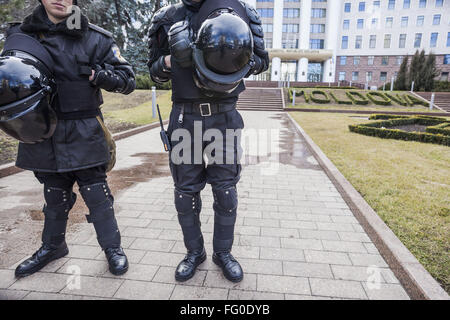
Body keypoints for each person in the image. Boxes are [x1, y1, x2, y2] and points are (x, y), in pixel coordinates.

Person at [5, 0, 136, 277]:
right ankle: (53, 246)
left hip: (84, 130)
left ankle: (113, 249)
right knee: (54, 196)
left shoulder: (96, 38)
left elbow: (127, 79)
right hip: (41, 130)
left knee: (97, 195)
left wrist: (96, 74)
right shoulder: (22, 36)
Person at [148, 0, 269, 283]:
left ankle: (223, 253)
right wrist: (170, 60)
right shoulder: (167, 17)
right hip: (185, 118)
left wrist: (233, 54)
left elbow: (262, 60)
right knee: (185, 192)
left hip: (224, 116)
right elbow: (152, 69)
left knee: (225, 190)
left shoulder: (240, 10)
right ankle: (194, 252)